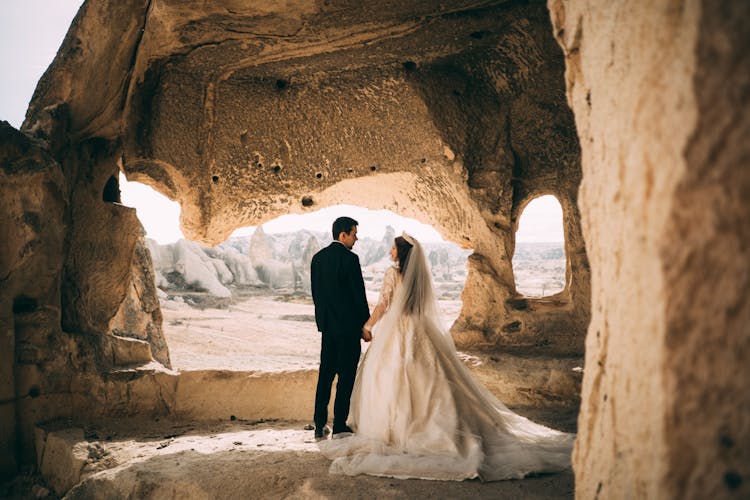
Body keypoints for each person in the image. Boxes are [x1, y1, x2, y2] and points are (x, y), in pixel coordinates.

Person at [319, 232, 574, 481]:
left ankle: (392, 431)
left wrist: (368, 326)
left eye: (393, 248)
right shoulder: (416, 276)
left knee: (386, 376)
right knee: (431, 378)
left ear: (401, 253)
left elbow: (383, 305)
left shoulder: (391, 273)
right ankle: (431, 429)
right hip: (419, 331)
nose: (389, 252)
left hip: (396, 333)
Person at [310, 217, 371, 439]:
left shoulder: (317, 259)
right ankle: (339, 426)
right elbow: (358, 296)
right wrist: (364, 325)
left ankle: (319, 424)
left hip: (328, 329)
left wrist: (323, 322)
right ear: (343, 235)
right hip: (348, 330)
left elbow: (317, 295)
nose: (356, 238)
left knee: (325, 376)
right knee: (346, 378)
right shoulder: (350, 259)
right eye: (354, 234)